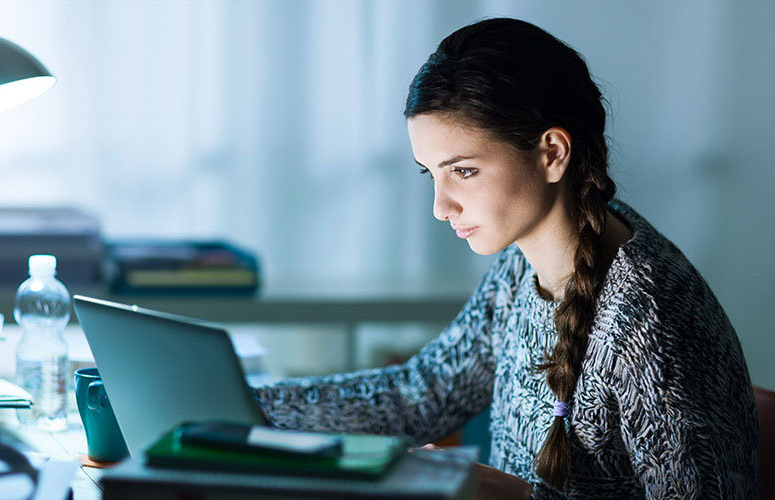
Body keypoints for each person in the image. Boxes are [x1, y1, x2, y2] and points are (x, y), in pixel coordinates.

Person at [253, 17, 758, 499]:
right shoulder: (531, 258)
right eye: (432, 173)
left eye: (465, 171)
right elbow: (421, 394)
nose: (440, 207)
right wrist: (248, 403)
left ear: (553, 153)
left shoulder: (649, 324)